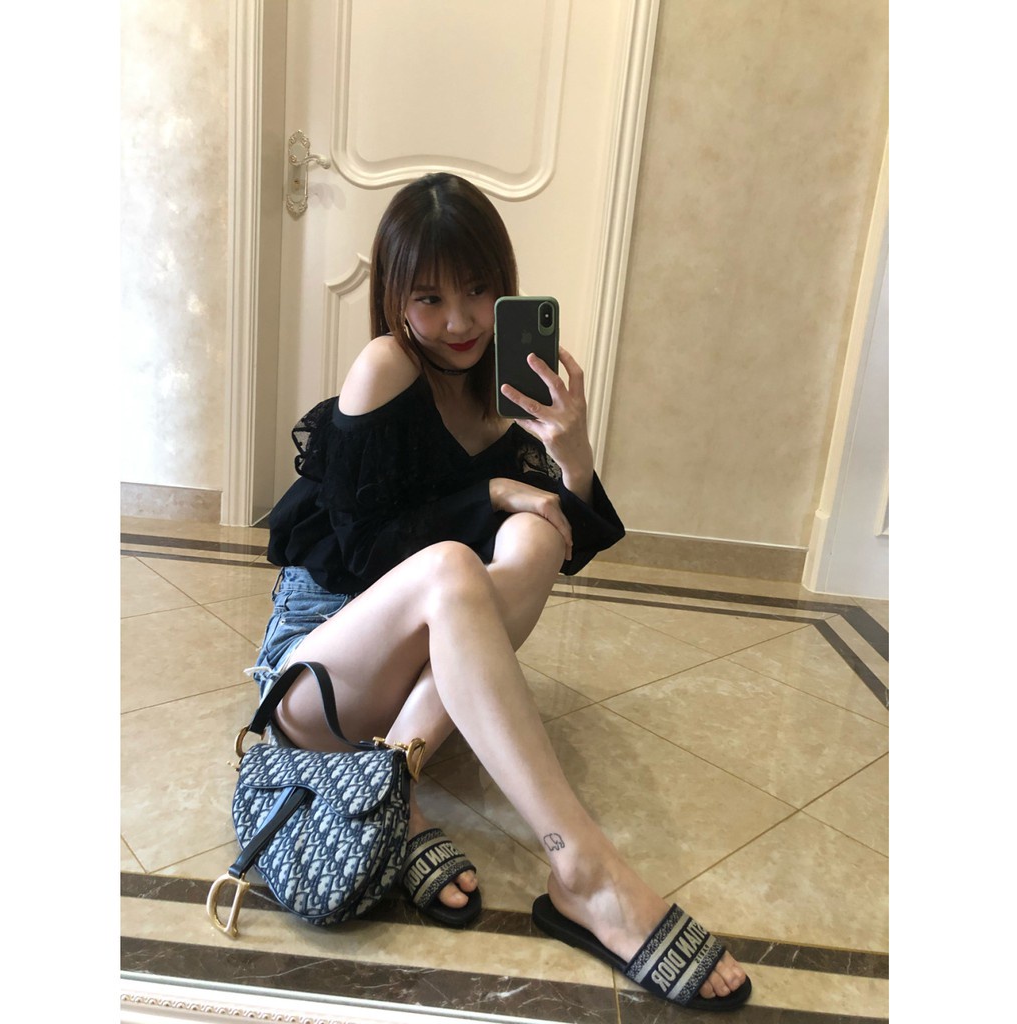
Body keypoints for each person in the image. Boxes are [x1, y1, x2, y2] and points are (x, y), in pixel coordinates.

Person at [251, 172, 751, 1010]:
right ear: (393, 298)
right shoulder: (385, 368)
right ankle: (585, 870)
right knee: (455, 562)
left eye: (478, 291)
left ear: (505, 287)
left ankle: (390, 787)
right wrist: (487, 490)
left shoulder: (509, 388)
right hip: (321, 677)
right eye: (430, 298)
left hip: (413, 688)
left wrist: (572, 452)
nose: (459, 322)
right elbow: (364, 549)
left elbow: (567, 538)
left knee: (535, 533)